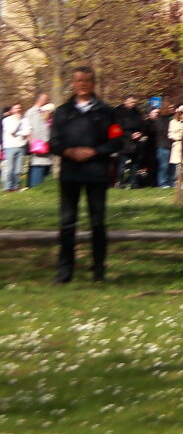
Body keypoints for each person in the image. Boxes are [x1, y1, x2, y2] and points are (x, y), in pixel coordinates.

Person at [49, 66, 120, 284]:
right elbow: (54, 142)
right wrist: (69, 151)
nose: (82, 84)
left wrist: (95, 151)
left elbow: (117, 141)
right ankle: (64, 273)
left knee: (97, 223)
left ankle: (98, 270)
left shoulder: (107, 112)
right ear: (73, 84)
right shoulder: (62, 112)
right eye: (78, 80)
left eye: (86, 80)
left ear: (93, 84)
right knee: (67, 223)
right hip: (70, 173)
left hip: (96, 173)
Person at [3, 101, 28, 191]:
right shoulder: (6, 120)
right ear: (12, 110)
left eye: (19, 108)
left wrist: (18, 133)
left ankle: (16, 186)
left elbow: (27, 131)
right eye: (16, 108)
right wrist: (18, 124)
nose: (18, 110)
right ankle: (8, 187)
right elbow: (10, 130)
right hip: (9, 146)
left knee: (18, 169)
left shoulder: (24, 120)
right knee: (9, 168)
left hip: (20, 146)